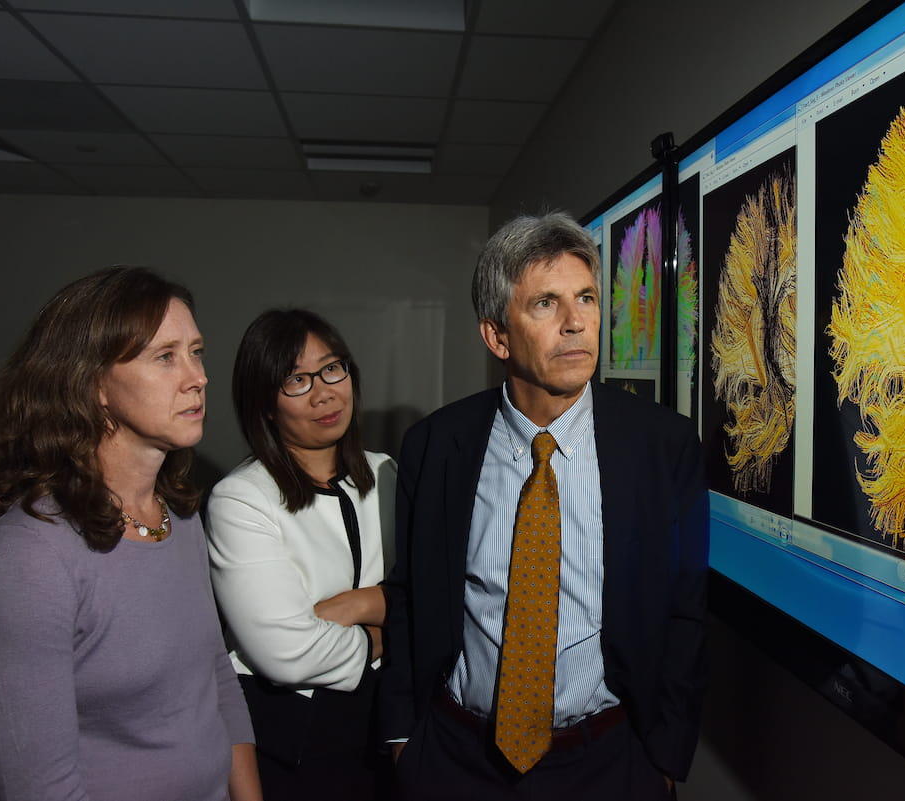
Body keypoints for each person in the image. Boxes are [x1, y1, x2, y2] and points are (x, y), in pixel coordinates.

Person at [379, 212, 710, 800]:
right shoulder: (436, 446)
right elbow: (410, 595)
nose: (576, 322)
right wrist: (404, 738)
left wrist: (663, 755)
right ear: (497, 336)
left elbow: (685, 609)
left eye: (585, 298)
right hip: (457, 758)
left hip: (609, 761)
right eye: (545, 304)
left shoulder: (663, 446)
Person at [0, 267, 260, 801]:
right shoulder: (29, 555)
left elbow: (214, 679)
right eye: (165, 357)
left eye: (196, 350)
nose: (198, 376)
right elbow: (38, 789)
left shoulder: (178, 516)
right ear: (93, 383)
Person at [206, 309, 397, 800]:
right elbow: (286, 655)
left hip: (386, 720)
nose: (324, 392)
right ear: (264, 405)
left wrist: (356, 605)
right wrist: (384, 634)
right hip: (297, 735)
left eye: (333, 368)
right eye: (296, 380)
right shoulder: (242, 498)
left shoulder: (388, 475)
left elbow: (436, 596)